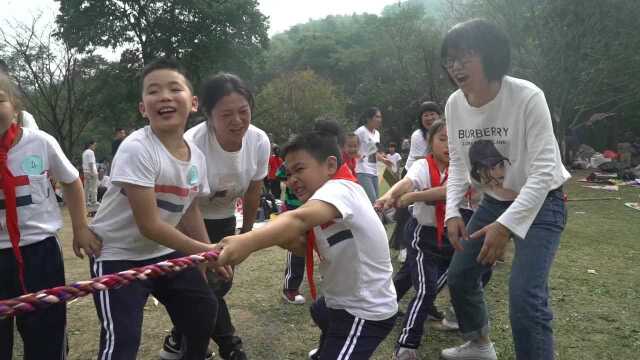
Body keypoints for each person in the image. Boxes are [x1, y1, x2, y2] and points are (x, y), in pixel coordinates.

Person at [440, 19, 570, 360]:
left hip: (542, 202)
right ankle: (479, 345)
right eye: (450, 58)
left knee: (526, 297)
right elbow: (456, 162)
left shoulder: (527, 96)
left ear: (491, 56)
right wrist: (452, 210)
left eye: (465, 56)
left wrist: (506, 225)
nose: (455, 66)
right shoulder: (454, 104)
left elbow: (543, 172)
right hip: (494, 201)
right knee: (460, 275)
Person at [216, 120, 398, 360]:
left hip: (364, 312)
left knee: (331, 320)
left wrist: (247, 241)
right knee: (321, 311)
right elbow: (306, 247)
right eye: (289, 173)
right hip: (339, 303)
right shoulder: (326, 199)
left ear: (330, 165)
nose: (291, 179)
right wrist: (281, 238)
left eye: (299, 169)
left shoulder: (340, 188)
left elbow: (299, 220)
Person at [81, 58, 225, 360]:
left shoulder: (196, 157)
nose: (164, 97)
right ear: (143, 108)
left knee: (203, 309)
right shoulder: (137, 148)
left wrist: (203, 258)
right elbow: (150, 225)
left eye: (175, 88)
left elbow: (189, 211)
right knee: (123, 341)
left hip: (163, 254)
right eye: (153, 91)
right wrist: (206, 250)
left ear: (194, 102)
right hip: (118, 255)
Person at [161, 72, 270, 360]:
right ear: (208, 115)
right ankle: (230, 347)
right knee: (205, 287)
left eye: (243, 111)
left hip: (224, 218)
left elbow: (253, 192)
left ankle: (177, 337)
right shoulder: (191, 144)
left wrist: (246, 236)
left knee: (219, 285)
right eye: (226, 114)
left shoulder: (259, 141)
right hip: (188, 219)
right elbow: (188, 205)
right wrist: (203, 247)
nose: (237, 121)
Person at [0, 73, 92, 360]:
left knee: (46, 332)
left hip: (39, 252)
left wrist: (80, 228)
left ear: (16, 107)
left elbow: (72, 181)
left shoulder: (40, 142)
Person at [376, 121, 453, 359]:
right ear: (430, 142)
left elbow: (448, 191)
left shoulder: (463, 167)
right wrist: (390, 195)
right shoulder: (422, 165)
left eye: (454, 139)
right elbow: (407, 181)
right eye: (442, 139)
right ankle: (406, 344)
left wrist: (411, 197)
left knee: (414, 275)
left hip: (452, 235)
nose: (449, 145)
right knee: (426, 286)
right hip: (423, 234)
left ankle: (386, 302)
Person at [390, 102, 443, 262]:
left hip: (434, 171)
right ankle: (404, 247)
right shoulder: (418, 136)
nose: (429, 117)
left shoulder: (446, 132)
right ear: (421, 119)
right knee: (406, 212)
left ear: (439, 115)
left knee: (429, 210)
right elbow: (424, 159)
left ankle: (434, 243)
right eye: (425, 115)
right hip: (414, 173)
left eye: (432, 113)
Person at [277, 163, 306, 305]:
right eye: (289, 175)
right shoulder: (286, 163)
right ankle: (290, 288)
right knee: (297, 250)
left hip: (315, 207)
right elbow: (280, 176)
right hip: (294, 209)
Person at [354, 107, 391, 203]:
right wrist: (358, 155)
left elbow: (373, 152)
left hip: (374, 171)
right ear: (369, 119)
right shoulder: (360, 131)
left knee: (376, 200)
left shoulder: (377, 134)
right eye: (377, 117)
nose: (380, 120)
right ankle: (380, 218)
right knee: (374, 201)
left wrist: (383, 160)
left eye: (380, 117)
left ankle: (379, 218)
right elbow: (349, 147)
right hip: (362, 171)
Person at [82, 140, 100, 216]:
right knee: (93, 188)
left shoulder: (84, 152)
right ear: (90, 145)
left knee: (86, 188)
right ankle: (94, 202)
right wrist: (93, 172)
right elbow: (91, 163)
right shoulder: (91, 152)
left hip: (85, 172)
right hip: (91, 171)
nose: (95, 147)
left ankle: (86, 201)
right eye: (94, 145)